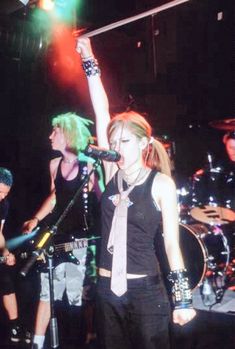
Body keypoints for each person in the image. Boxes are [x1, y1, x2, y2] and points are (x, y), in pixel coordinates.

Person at [76, 38, 196, 349]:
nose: (117, 148)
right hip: (106, 292)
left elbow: (171, 244)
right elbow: (101, 111)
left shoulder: (160, 185)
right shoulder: (111, 173)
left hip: (146, 294)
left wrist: (182, 298)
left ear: (144, 144)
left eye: (126, 142)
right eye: (114, 143)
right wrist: (90, 62)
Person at [23, 112, 103, 349]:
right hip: (57, 235)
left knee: (74, 295)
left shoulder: (87, 164)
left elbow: (102, 197)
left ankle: (79, 339)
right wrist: (36, 218)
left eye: (54, 132)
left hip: (80, 238)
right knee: (48, 292)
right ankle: (37, 343)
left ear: (66, 134)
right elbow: (55, 197)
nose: (49, 136)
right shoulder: (54, 164)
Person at [0, 167, 31, 344]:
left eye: (5, 193)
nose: (2, 197)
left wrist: (6, 253)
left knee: (6, 280)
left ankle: (15, 325)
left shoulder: (3, 204)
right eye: (0, 192)